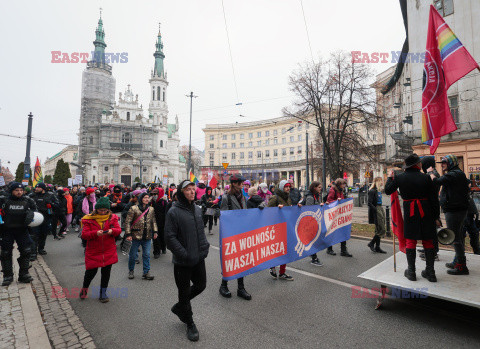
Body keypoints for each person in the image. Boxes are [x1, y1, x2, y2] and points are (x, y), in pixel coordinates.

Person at [165, 180, 210, 342]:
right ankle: (190, 323)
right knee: (183, 291)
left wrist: (204, 247)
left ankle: (179, 306)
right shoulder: (173, 211)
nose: (192, 192)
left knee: (201, 285)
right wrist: (183, 254)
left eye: (193, 189)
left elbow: (200, 231)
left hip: (198, 257)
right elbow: (169, 238)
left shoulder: (197, 209)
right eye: (188, 190)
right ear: (181, 192)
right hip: (183, 261)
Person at [385, 154, 440, 282]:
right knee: (428, 241)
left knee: (410, 241)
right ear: (417, 165)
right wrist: (436, 216)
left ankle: (411, 272)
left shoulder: (400, 177)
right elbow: (434, 199)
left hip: (410, 212)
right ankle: (430, 272)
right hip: (426, 211)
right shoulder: (426, 178)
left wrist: (389, 177)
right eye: (420, 162)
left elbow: (387, 190)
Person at [430, 155, 470, 275]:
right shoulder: (455, 173)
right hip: (457, 209)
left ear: (451, 163)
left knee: (455, 238)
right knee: (458, 235)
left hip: (454, 210)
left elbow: (436, 181)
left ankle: (461, 266)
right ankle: (457, 261)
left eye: (444, 163)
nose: (442, 165)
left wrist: (431, 173)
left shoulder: (454, 174)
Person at [80, 197, 121, 302]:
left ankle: (103, 294)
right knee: (90, 273)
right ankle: (84, 290)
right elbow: (84, 235)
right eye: (100, 210)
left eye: (105, 210)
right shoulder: (89, 219)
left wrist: (112, 231)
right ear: (96, 209)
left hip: (108, 250)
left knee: (106, 274)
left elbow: (118, 230)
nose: (103, 212)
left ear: (108, 209)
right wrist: (95, 233)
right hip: (94, 250)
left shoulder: (112, 218)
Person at [219, 174, 252, 300]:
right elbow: (223, 216)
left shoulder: (243, 197)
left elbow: (246, 212)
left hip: (242, 232)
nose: (242, 184)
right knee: (230, 260)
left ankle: (240, 288)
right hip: (230, 233)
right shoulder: (226, 197)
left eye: (242, 182)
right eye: (240, 182)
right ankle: (223, 285)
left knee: (241, 260)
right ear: (234, 183)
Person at [0, 183, 37, 286]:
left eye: (21, 190)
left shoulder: (28, 200)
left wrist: (31, 214)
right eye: (16, 190)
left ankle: (24, 274)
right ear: (12, 191)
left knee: (26, 251)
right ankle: (8, 276)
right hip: (6, 230)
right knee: (5, 253)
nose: (19, 192)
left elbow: (35, 211)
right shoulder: (3, 200)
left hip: (22, 230)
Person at [267, 179, 300, 280]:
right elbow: (267, 211)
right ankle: (272, 267)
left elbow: (289, 210)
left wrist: (297, 207)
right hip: (276, 228)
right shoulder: (275, 197)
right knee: (277, 250)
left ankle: (282, 272)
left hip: (286, 227)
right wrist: (277, 209)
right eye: (286, 187)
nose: (288, 188)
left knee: (285, 250)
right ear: (282, 187)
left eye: (289, 187)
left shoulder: (288, 197)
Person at [125, 192, 157, 280]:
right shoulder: (133, 208)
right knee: (132, 255)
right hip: (135, 236)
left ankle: (146, 272)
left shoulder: (151, 209)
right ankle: (131, 270)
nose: (147, 199)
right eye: (145, 198)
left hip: (147, 236)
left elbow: (153, 221)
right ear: (141, 199)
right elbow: (128, 222)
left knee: (146, 254)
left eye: (148, 198)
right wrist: (128, 234)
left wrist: (155, 231)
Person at [29, 183, 58, 260]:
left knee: (43, 234)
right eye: (36, 187)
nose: (36, 188)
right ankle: (33, 253)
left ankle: (41, 248)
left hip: (46, 218)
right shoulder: (32, 195)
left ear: (42, 188)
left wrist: (50, 204)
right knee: (34, 235)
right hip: (35, 218)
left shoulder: (50, 195)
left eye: (38, 187)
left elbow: (57, 204)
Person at [326, 179, 352, 257]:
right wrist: (336, 200)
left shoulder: (341, 190)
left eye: (344, 184)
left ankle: (343, 250)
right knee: (332, 231)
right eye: (343, 184)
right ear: (339, 184)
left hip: (340, 213)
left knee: (343, 230)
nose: (344, 186)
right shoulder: (333, 190)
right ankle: (329, 249)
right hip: (334, 214)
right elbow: (329, 200)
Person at [303, 181, 324, 266]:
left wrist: (321, 205)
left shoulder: (316, 196)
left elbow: (316, 206)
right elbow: (309, 210)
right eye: (319, 187)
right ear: (314, 188)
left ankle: (313, 255)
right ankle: (314, 258)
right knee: (313, 240)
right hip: (311, 222)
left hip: (315, 221)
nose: (321, 188)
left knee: (313, 240)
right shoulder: (310, 197)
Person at [367, 177, 387, 253]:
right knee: (381, 228)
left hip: (380, 208)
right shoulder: (372, 191)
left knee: (379, 229)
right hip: (377, 209)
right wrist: (375, 210)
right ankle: (371, 243)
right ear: (377, 182)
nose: (382, 182)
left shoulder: (378, 191)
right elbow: (369, 203)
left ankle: (377, 247)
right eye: (381, 181)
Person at [151, 187, 168, 258]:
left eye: (156, 194)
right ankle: (156, 252)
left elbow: (167, 213)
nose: (154, 195)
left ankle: (163, 247)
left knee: (162, 236)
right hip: (154, 223)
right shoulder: (151, 202)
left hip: (163, 223)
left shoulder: (164, 202)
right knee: (155, 237)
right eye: (153, 194)